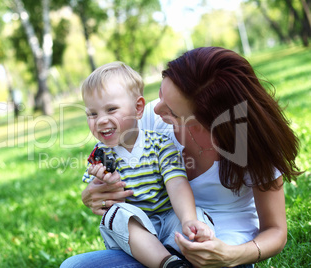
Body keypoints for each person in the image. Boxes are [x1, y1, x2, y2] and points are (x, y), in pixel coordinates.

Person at [61, 47, 301, 268]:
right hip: (153, 243)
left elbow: (276, 231)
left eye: (172, 112)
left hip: (219, 250)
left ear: (210, 122)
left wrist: (231, 255)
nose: (156, 109)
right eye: (160, 95)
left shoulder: (252, 146)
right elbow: (109, 150)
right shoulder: (149, 117)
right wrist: (93, 194)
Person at [79, 61, 215, 268]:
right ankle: (168, 263)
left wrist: (188, 220)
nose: (100, 121)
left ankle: (184, 252)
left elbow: (177, 184)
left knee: (198, 217)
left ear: (138, 108)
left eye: (111, 109)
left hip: (168, 220)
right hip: (135, 234)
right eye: (92, 114)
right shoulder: (100, 156)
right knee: (116, 214)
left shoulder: (160, 144)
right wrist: (104, 185)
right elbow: (96, 197)